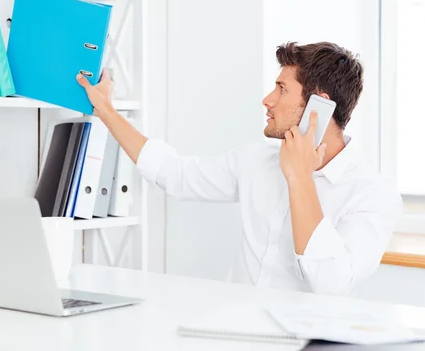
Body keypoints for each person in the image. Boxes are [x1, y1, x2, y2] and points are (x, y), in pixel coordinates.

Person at [76, 41, 402, 296]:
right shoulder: (257, 161)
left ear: (319, 105)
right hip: (234, 332)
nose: (267, 99)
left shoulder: (373, 196)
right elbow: (174, 174)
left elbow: (330, 282)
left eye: (282, 89)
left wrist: (300, 177)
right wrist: (105, 109)